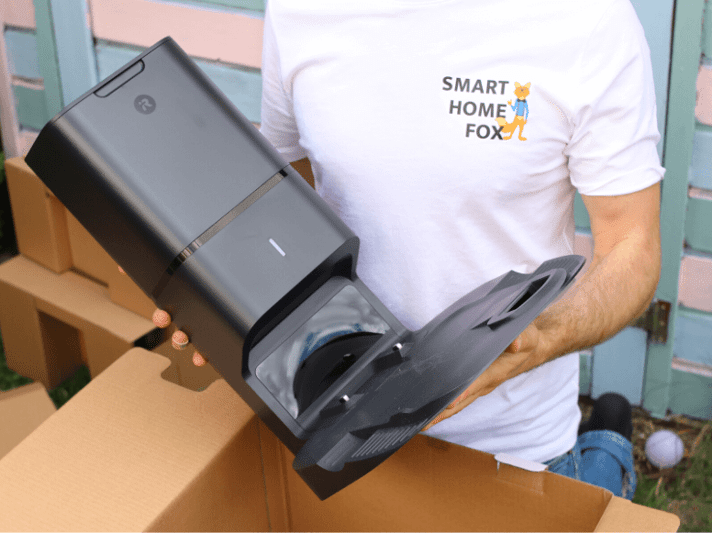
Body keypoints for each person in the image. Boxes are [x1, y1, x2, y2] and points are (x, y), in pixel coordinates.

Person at [143, 0, 663, 500]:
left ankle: (605, 452)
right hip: (337, 415)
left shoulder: (588, 19)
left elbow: (632, 246)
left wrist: (540, 336)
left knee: (590, 486)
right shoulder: (298, 9)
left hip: (511, 439)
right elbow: (289, 192)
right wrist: (229, 305)